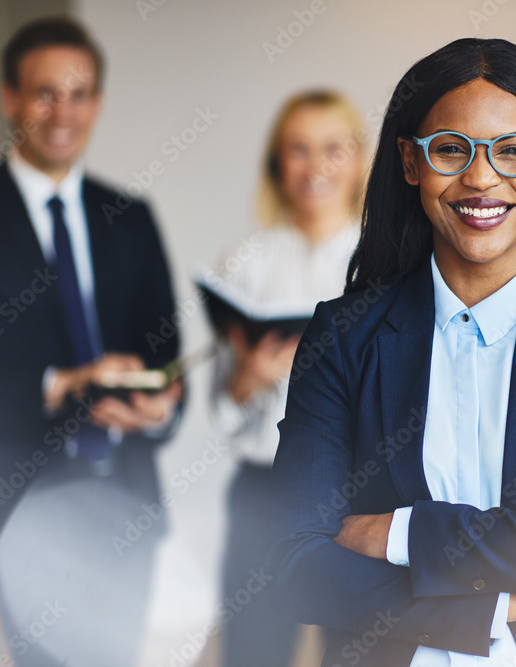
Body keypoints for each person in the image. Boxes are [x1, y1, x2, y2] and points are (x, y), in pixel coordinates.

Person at [268, 38, 516, 666]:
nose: (481, 179)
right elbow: (294, 560)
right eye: (451, 149)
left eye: (513, 151)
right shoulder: (343, 337)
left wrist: (399, 531)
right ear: (410, 162)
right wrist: (501, 591)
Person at [0, 17, 183, 665]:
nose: (62, 112)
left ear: (96, 102)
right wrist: (56, 385)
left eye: (79, 93)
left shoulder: (131, 218)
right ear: (10, 97)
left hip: (124, 505)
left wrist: (160, 405)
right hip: (7, 513)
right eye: (44, 93)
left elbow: (166, 357)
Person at [208, 90, 364, 666]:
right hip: (264, 490)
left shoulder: (389, 261)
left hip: (360, 490)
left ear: (360, 160)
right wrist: (250, 376)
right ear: (277, 163)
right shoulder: (244, 261)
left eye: (333, 149)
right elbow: (225, 407)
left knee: (356, 651)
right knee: (254, 650)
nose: (316, 166)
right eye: (297, 150)